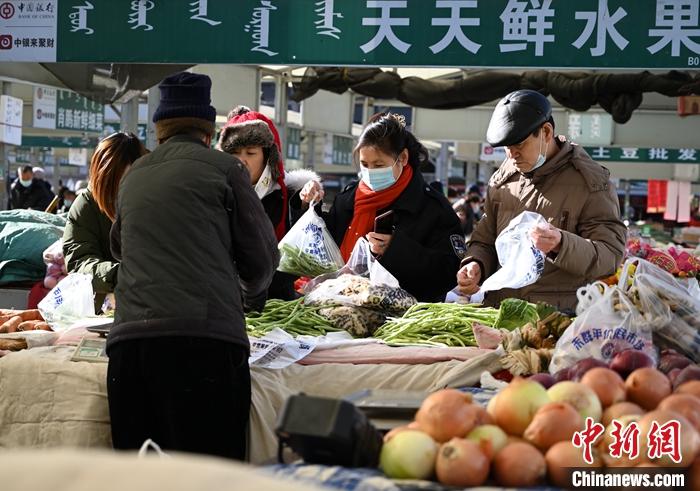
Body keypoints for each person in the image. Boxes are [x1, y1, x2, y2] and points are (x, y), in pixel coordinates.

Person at [107, 72, 278, 460]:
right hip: (204, 347)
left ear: (159, 129)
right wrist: (249, 298)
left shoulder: (135, 174)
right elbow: (262, 260)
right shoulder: (226, 170)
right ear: (208, 128)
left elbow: (118, 247)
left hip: (131, 351)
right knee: (207, 476)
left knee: (141, 479)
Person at [457, 90, 626, 311]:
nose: (512, 155)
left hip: (556, 319)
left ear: (546, 132)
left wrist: (561, 244)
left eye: (519, 145)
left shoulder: (590, 183)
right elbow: (484, 240)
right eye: (507, 148)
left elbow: (610, 255)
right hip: (499, 311)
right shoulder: (502, 179)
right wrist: (476, 264)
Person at [298, 112, 465, 302]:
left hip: (403, 320)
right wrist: (308, 204)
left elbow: (449, 271)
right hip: (339, 307)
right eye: (364, 164)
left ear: (402, 158)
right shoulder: (348, 198)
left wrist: (396, 250)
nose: (370, 172)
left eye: (378, 165)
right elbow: (322, 246)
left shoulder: (433, 208)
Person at [218, 106, 321, 300]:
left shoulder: (291, 196)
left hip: (277, 300)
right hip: (226, 302)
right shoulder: (217, 196)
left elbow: (303, 254)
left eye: (250, 153)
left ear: (268, 157)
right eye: (235, 153)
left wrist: (306, 205)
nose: (242, 161)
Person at [62, 133, 147, 311]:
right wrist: (119, 275)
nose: (123, 191)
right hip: (105, 308)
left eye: (131, 181)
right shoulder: (86, 206)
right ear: (102, 178)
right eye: (116, 184)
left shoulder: (157, 197)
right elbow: (79, 262)